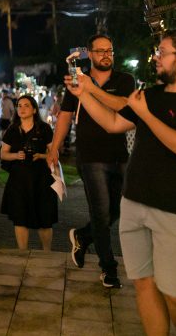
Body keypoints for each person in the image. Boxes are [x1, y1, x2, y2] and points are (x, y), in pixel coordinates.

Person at [67, 29, 176, 336]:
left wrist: (145, 115)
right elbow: (113, 122)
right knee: (144, 284)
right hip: (135, 202)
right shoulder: (151, 95)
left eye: (162, 52)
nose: (156, 58)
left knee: (175, 294)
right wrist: (84, 94)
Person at [47, 34, 135, 289]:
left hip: (119, 155)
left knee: (116, 210)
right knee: (100, 211)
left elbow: (123, 106)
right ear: (90, 54)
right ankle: (109, 269)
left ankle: (83, 236)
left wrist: (90, 88)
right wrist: (54, 146)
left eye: (110, 50)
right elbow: (64, 117)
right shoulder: (77, 82)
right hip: (90, 156)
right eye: (100, 51)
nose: (106, 55)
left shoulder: (124, 80)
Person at [0, 94, 56, 250]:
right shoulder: (12, 129)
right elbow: (3, 153)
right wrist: (16, 155)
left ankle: (47, 253)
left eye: (26, 106)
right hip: (19, 180)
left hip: (42, 180)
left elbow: (54, 153)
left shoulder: (44, 128)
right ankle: (22, 253)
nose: (22, 109)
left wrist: (42, 156)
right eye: (19, 106)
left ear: (34, 109)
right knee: (20, 218)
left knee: (44, 218)